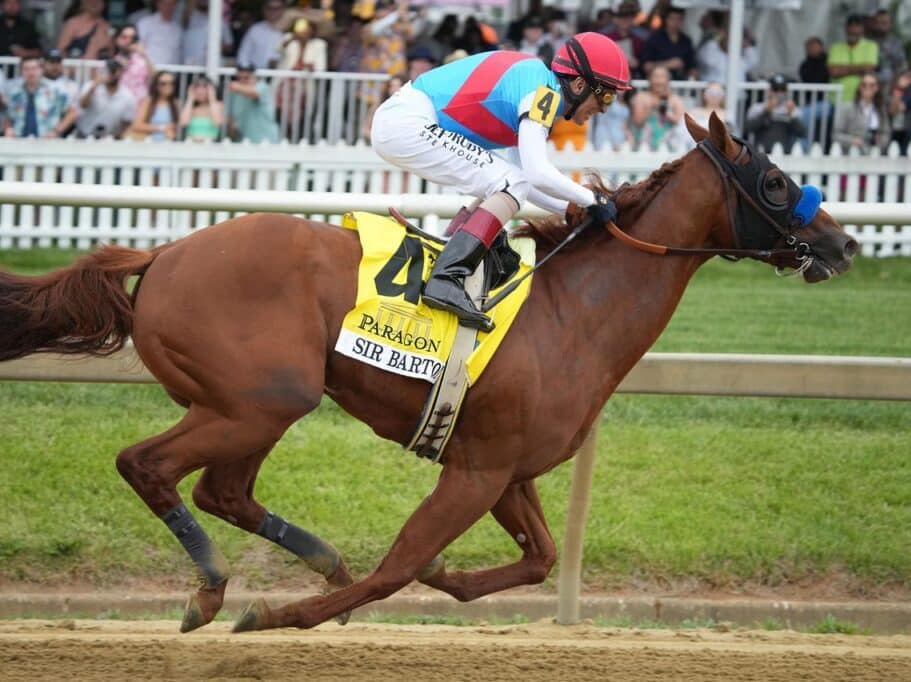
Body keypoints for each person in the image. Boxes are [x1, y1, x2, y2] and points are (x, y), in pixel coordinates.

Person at [370, 32, 630, 330]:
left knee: (505, 182)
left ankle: (447, 255)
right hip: (407, 122)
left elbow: (526, 182)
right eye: (607, 95)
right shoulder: (544, 92)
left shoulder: (536, 90)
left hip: (403, 120)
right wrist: (592, 200)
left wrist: (572, 211)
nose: (606, 108)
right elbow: (536, 173)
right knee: (508, 181)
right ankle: (446, 276)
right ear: (580, 84)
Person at [3, 56, 78, 137]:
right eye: (26, 69)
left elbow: (73, 113)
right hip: (19, 139)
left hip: (46, 140)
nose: (30, 72)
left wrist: (57, 131)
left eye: (34, 68)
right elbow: (9, 117)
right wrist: (8, 129)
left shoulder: (54, 91)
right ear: (22, 71)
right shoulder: (15, 94)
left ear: (41, 70)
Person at [743, 73, 806, 152]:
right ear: (769, 90)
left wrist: (792, 114)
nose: (779, 93)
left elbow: (802, 132)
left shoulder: (794, 110)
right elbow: (748, 129)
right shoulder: (757, 108)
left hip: (785, 155)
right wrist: (766, 112)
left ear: (786, 91)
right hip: (761, 154)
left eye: (782, 90)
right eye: (775, 89)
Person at [628, 65, 686, 150]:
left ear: (668, 80)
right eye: (656, 76)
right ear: (649, 78)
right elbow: (637, 121)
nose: (659, 81)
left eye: (662, 77)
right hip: (645, 144)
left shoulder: (675, 99)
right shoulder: (641, 97)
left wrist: (665, 112)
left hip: (669, 144)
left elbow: (681, 122)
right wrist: (651, 108)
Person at [75, 59, 136, 138]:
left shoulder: (128, 96)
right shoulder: (91, 86)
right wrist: (94, 86)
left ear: (120, 73)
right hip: (85, 135)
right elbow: (82, 105)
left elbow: (127, 121)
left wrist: (118, 138)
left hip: (110, 139)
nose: (111, 74)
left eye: (114, 71)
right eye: (109, 71)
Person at [833, 74, 892, 154]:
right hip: (850, 154)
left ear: (877, 88)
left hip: (874, 154)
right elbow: (836, 135)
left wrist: (880, 141)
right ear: (859, 87)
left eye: (872, 85)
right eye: (864, 85)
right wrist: (852, 140)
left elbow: (886, 133)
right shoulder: (847, 108)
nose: (867, 88)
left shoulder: (880, 110)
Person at [828, 14, 878, 104]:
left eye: (857, 26)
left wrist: (843, 68)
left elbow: (869, 68)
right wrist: (859, 68)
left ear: (862, 29)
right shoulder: (835, 47)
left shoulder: (871, 46)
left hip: (860, 99)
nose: (853, 30)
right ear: (846, 29)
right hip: (835, 99)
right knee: (802, 113)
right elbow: (833, 72)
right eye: (850, 26)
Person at [226, 64, 280, 143]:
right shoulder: (234, 94)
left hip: (265, 141)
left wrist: (236, 86)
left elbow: (255, 93)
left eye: (246, 78)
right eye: (239, 78)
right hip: (243, 142)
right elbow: (230, 118)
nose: (242, 81)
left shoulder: (262, 87)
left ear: (255, 77)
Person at [642, 5, 697, 80]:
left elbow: (692, 66)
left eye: (679, 19)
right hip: (659, 83)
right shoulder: (654, 39)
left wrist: (693, 74)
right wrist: (667, 64)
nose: (675, 22)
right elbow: (646, 66)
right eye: (672, 19)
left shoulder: (686, 41)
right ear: (666, 20)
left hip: (681, 84)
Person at [129, 69, 179, 141]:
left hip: (168, 144)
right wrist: (162, 128)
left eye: (172, 83)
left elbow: (178, 126)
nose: (168, 86)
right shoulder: (148, 102)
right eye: (163, 83)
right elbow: (137, 125)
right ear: (156, 86)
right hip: (148, 143)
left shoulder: (175, 103)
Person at [111, 23, 154, 104]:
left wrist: (145, 55)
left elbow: (155, 80)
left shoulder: (143, 60)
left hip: (140, 106)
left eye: (132, 38)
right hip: (120, 106)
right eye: (124, 37)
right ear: (116, 39)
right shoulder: (112, 61)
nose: (128, 41)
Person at [236, 0, 286, 69]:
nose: (273, 12)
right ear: (264, 9)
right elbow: (243, 56)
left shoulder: (287, 31)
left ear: (283, 10)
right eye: (269, 8)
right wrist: (248, 72)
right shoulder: (255, 30)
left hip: (280, 77)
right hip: (256, 75)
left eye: (277, 9)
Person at [869, 9, 907, 92]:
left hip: (889, 87)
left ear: (890, 24)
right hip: (870, 87)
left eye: (884, 23)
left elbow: (901, 68)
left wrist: (893, 87)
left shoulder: (896, 43)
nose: (880, 26)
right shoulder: (868, 42)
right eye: (878, 22)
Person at [137, 0, 183, 66]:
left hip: (172, 72)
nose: (168, 7)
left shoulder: (178, 27)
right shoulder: (145, 23)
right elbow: (139, 46)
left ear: (175, 6)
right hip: (151, 70)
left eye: (171, 4)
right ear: (158, 4)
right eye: (165, 4)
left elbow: (179, 52)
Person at [180, 74, 223, 141]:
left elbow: (217, 122)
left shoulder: (218, 105)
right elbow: (184, 122)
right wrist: (190, 99)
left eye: (204, 87)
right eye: (197, 87)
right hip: (191, 144)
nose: (200, 91)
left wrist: (212, 98)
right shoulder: (191, 107)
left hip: (210, 145)